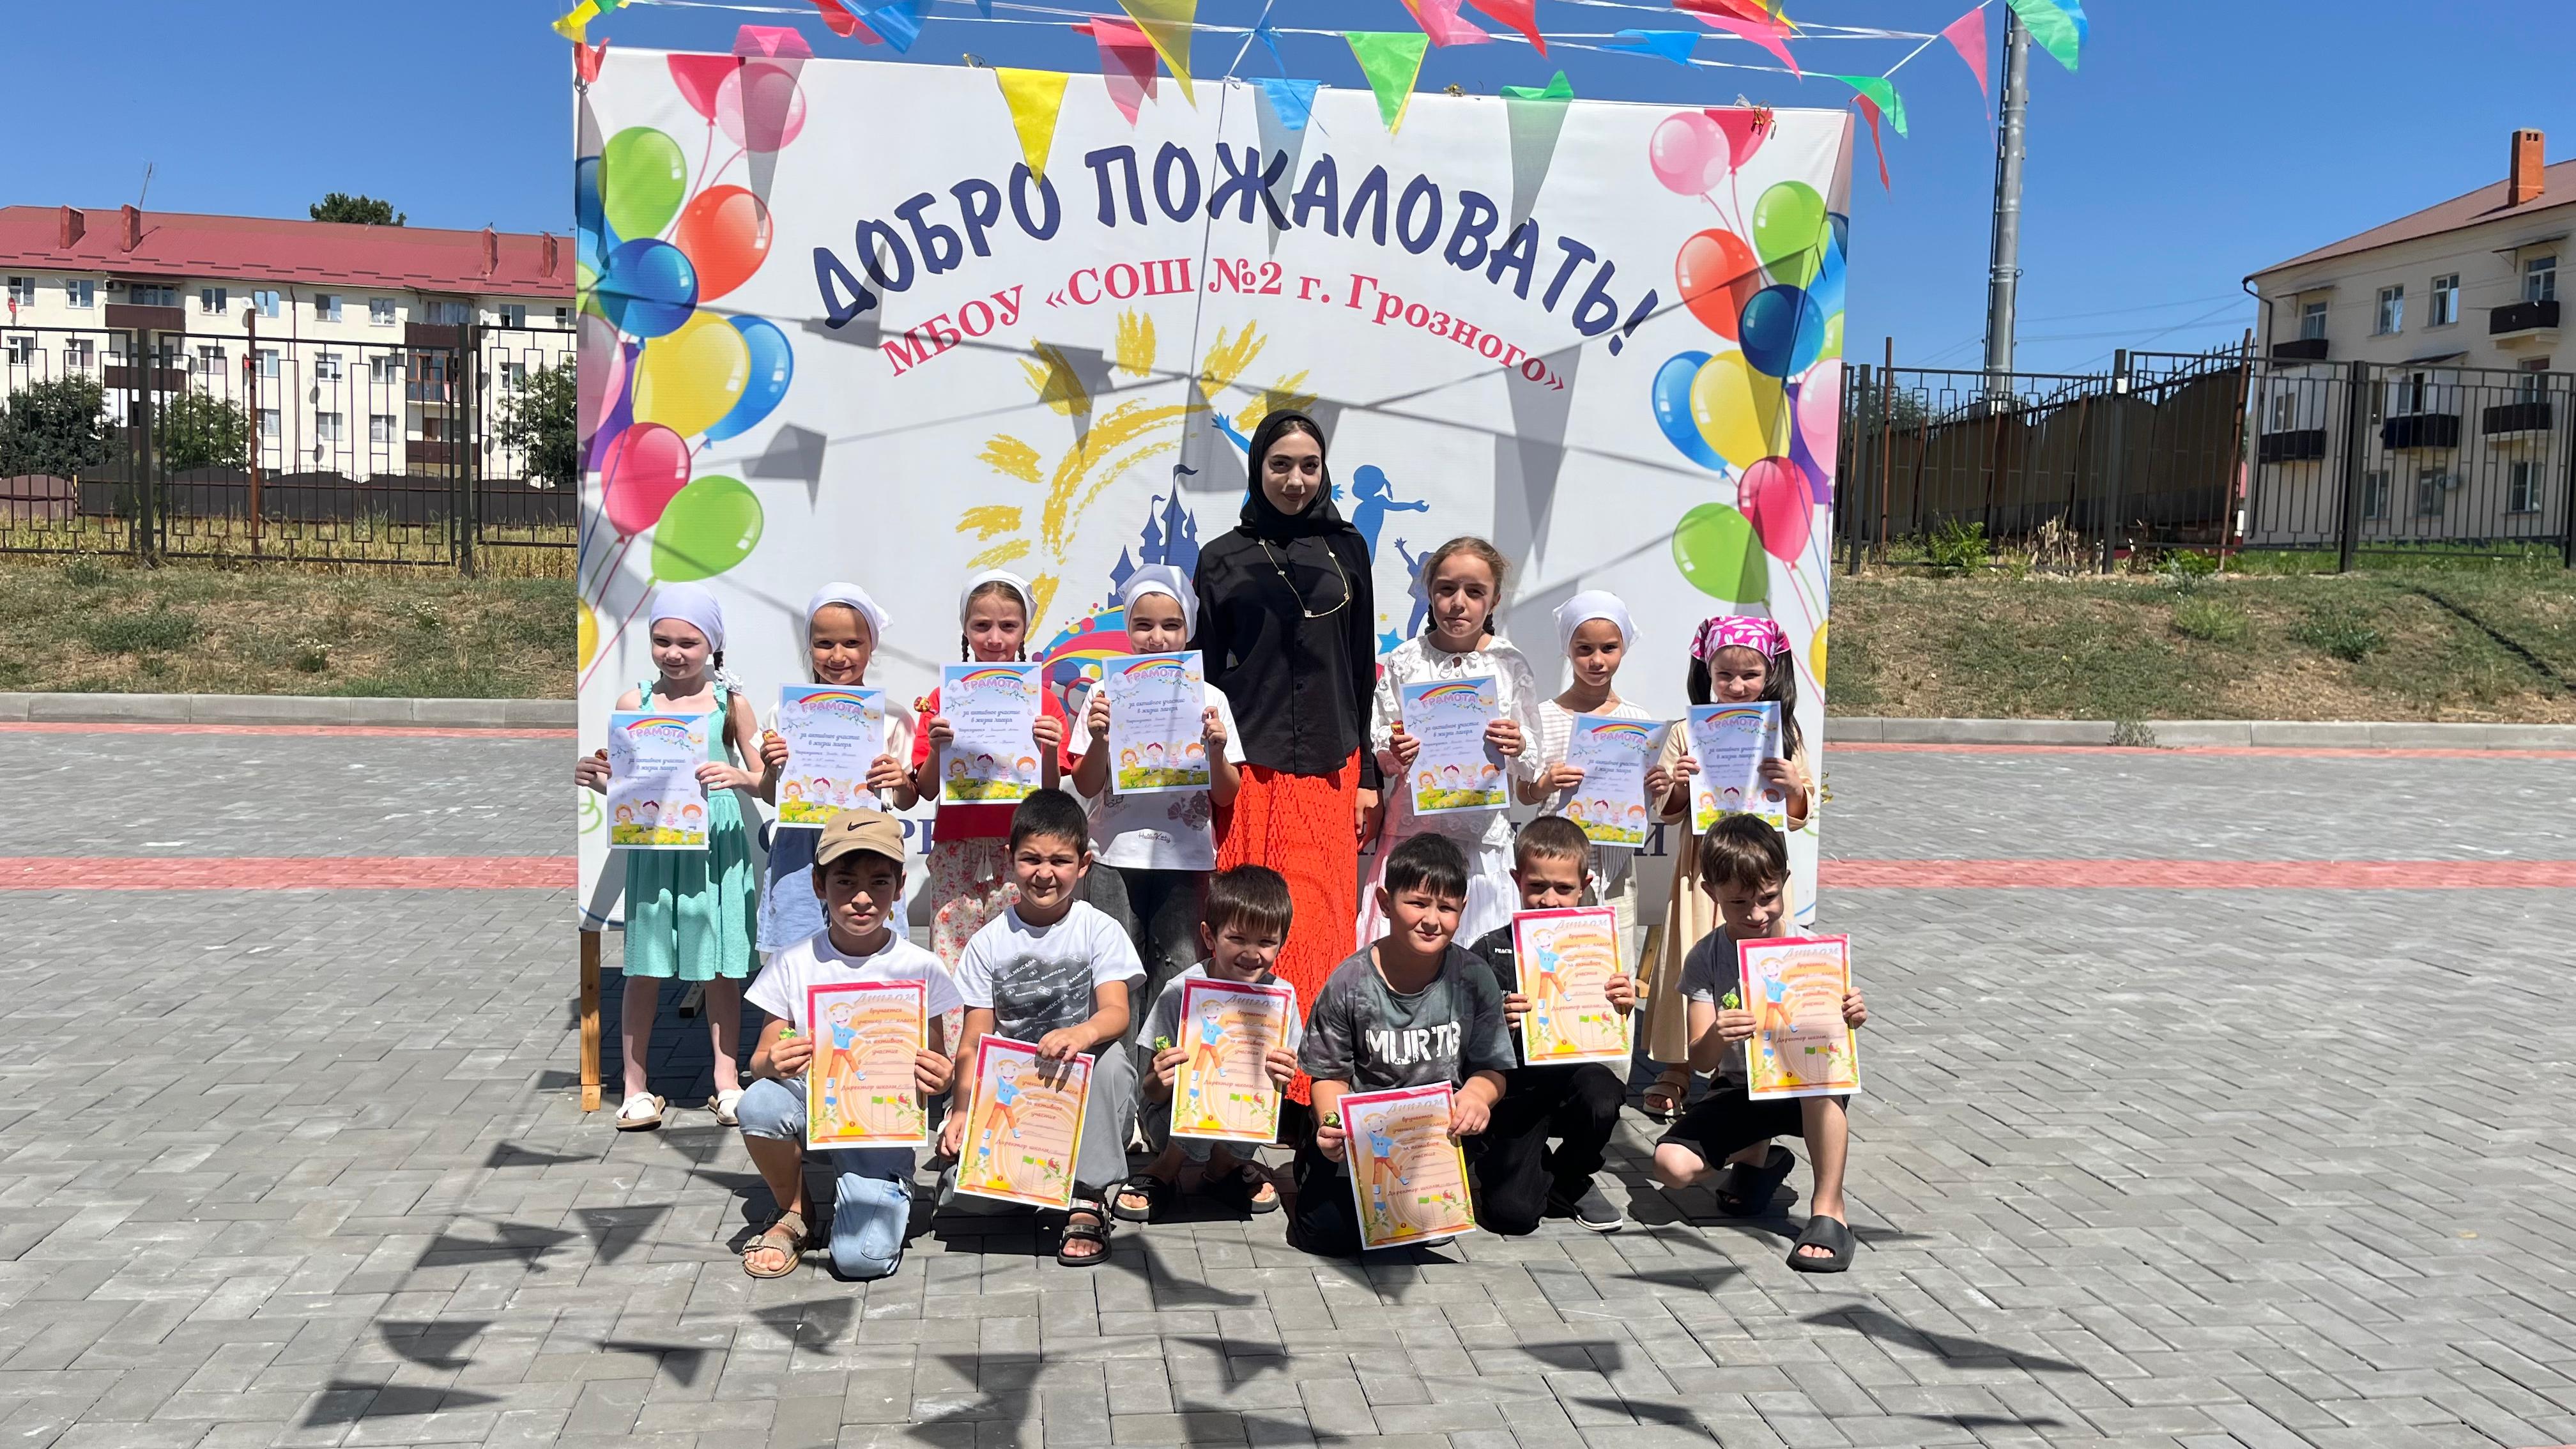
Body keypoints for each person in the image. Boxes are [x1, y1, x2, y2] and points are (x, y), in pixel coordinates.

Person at [1191, 410, 1378, 1115]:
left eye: (1309, 465)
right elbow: (1203, 672)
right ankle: (1234, 1093)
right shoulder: (1221, 557)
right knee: (1248, 924)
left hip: (1330, 767)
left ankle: (1309, 1096)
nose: (1295, 480)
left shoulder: (1348, 548)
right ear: (1257, 470)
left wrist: (1368, 777)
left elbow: (1360, 665)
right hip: (1252, 768)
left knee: (1322, 925)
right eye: (1280, 465)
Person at [734, 811, 961, 1280]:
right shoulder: (793, 961)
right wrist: (773, 1062)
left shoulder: (920, 966)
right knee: (758, 1103)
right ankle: (795, 1210)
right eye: (844, 882)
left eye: (879, 882)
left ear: (900, 887)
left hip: (880, 1124)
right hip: (811, 1103)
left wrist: (941, 1077)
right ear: (819, 885)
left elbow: (937, 1065)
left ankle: (883, 1184)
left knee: (861, 1260)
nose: (861, 898)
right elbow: (759, 1062)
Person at [574, 583, 763, 1131]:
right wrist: (594, 778)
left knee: (722, 966)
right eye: (663, 641)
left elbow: (768, 782)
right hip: (656, 846)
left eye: (688, 642)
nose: (674, 653)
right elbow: (625, 788)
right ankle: (635, 1089)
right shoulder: (633, 704)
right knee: (644, 965)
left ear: (713, 646)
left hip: (717, 844)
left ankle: (726, 1083)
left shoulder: (732, 705)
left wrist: (738, 776)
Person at [1649, 817, 1866, 1273]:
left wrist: (1851, 1017)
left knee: (1820, 1085)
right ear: (1711, 893)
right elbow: (1701, 1060)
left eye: (1767, 897)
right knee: (1671, 1166)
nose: (1756, 914)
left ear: (1784, 881)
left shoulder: (1813, 952)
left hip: (1806, 1087)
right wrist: (1718, 1032)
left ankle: (1830, 1210)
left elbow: (1835, 1044)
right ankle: (1757, 1158)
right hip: (1739, 1086)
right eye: (1738, 902)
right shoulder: (1706, 957)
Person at [941, 790, 1142, 1266]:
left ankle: (1088, 1196)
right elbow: (973, 1042)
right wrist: (961, 1110)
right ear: (1010, 859)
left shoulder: (1099, 929)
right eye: (1031, 859)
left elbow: (1117, 1013)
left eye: (1060, 861)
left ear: (1084, 864)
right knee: (966, 1199)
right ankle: (1039, 1177)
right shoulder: (988, 942)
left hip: (1083, 1089)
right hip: (1017, 1092)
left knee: (1112, 1060)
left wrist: (1081, 1034)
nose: (1045, 873)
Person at [1291, 834, 1514, 1257]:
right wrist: (1331, 1124)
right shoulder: (1349, 982)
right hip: (1365, 1140)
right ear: (1384, 902)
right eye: (1417, 903)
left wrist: (1478, 1095)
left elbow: (1492, 1068)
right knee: (1327, 1236)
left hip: (1436, 1139)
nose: (1431, 920)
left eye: (1446, 907)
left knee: (1417, 1226)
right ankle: (1313, 1164)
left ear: (1463, 909)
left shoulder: (1475, 978)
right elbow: (1329, 1076)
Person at [1639, 614, 1815, 1122]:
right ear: (1707, 674)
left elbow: (1800, 813)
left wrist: (1793, 786)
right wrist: (1678, 784)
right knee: (1692, 958)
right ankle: (1678, 1065)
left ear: (1771, 673)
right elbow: (1668, 811)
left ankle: (1755, 1061)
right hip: (1703, 869)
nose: (1737, 686)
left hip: (1759, 866)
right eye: (1725, 675)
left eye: (1750, 674)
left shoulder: (1783, 733)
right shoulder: (1686, 731)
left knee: (1760, 955)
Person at [1069, 567, 1246, 1029]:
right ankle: (1117, 1074)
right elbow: (1085, 785)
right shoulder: (1103, 694)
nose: (1157, 638)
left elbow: (1227, 793)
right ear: (1127, 629)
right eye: (1143, 625)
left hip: (1185, 859)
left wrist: (1216, 750)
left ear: (1189, 630)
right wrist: (1100, 740)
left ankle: (1162, 1073)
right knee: (1114, 977)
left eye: (1171, 625)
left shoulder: (1211, 698)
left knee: (1178, 973)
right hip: (1113, 856)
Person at [1360, 536, 1542, 948]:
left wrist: (1518, 744)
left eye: (1474, 592)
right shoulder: (1406, 660)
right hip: (1412, 832)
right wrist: (1395, 748)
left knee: (1476, 957)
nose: (1458, 603)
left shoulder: (1510, 663)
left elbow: (1533, 763)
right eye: (1446, 589)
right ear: (1429, 593)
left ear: (1494, 601)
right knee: (1405, 955)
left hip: (1480, 840)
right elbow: (1382, 740)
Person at [1464, 816, 1638, 1235]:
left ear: (1584, 886)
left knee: (1603, 1095)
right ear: (1517, 880)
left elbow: (1606, 1028)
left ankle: (1571, 1176)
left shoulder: (1599, 947)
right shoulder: (1488, 949)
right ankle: (1518, 1165)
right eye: (1537, 886)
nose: (1549, 900)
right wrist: (1496, 1021)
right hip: (1513, 1092)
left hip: (1572, 1080)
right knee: (1512, 1216)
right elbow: (1463, 1038)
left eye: (1563, 888)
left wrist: (1621, 1006)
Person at [1112, 866, 1301, 1222]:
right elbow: (1150, 1091)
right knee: (1194, 1092)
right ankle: (1166, 1167)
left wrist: (1282, 1076)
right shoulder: (1181, 993)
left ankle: (1224, 1166)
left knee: (1255, 1098)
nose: (1252, 953)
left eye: (1266, 942)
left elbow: (1279, 1088)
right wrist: (1161, 1077)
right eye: (1237, 938)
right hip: (1168, 1115)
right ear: (1209, 936)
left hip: (1237, 1111)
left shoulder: (1281, 1000)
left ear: (1282, 942)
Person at [909, 570, 1072, 969]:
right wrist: (938, 748)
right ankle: (955, 1018)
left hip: (1022, 848)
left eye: (1008, 626)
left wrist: (1049, 749)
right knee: (952, 962)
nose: (994, 638)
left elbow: (1049, 792)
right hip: (955, 845)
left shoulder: (1045, 703)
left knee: (1018, 960)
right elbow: (927, 789)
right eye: (982, 626)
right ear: (965, 630)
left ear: (1024, 631)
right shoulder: (941, 699)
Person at [755, 584, 920, 968]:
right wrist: (771, 769)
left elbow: (908, 800)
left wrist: (900, 780)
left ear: (871, 647)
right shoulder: (784, 712)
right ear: (809, 646)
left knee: (873, 953)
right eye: (825, 643)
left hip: (868, 842)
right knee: (795, 956)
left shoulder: (893, 716)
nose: (838, 656)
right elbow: (770, 796)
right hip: (800, 849)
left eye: (852, 643)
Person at [1518, 592, 1673, 964]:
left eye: (1609, 648)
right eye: (1585, 649)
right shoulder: (1543, 716)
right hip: (1554, 872)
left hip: (1615, 873)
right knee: (1552, 965)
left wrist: (1656, 787)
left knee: (1612, 969)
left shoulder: (1637, 719)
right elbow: (1524, 793)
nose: (1597, 660)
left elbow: (1645, 800)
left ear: (1623, 649)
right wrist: (1545, 784)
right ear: (1567, 649)